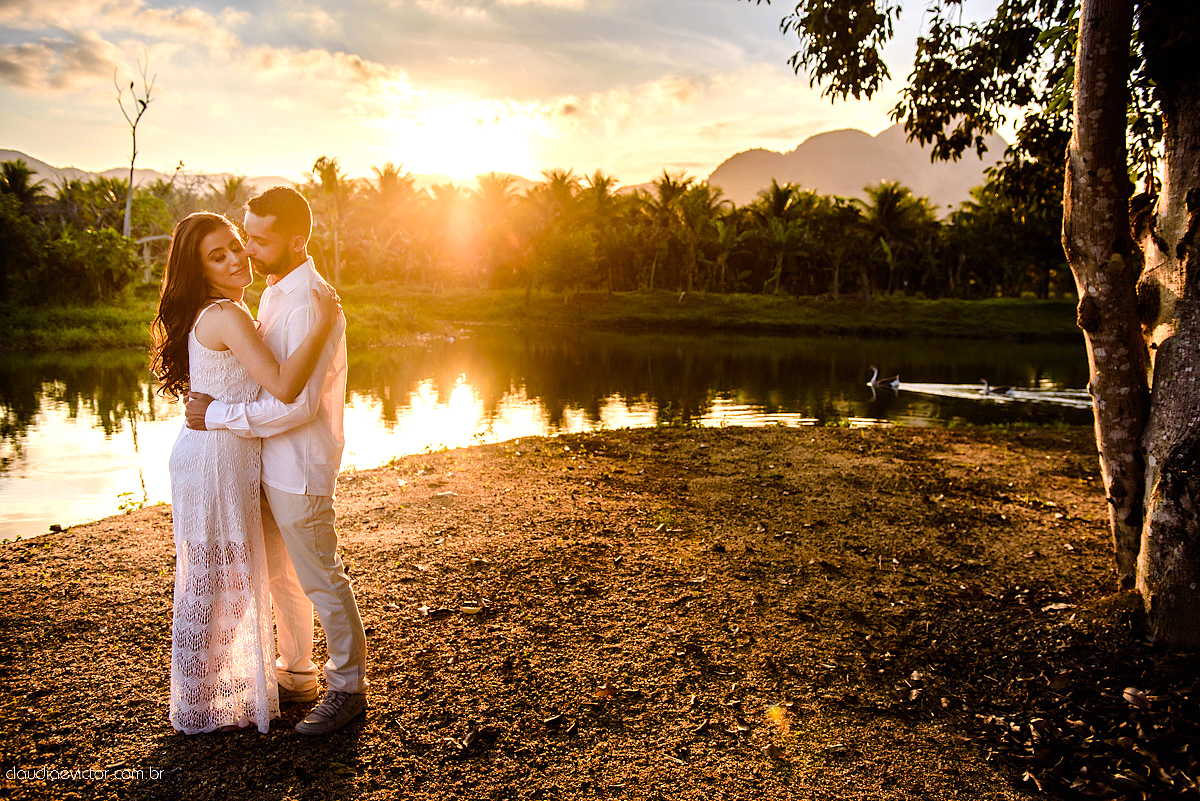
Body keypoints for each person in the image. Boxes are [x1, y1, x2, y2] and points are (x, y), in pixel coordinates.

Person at [185, 186, 369, 736]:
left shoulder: (307, 300)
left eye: (259, 241)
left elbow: (296, 404)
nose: (249, 251)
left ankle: (348, 687)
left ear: (296, 239)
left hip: (300, 462)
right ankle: (298, 673)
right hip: (267, 462)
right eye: (246, 239)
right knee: (283, 578)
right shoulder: (272, 292)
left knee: (320, 577)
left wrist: (217, 415)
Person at [150, 211, 340, 734]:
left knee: (231, 571)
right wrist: (323, 324)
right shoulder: (226, 315)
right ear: (198, 268)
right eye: (219, 254)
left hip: (224, 453)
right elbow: (281, 384)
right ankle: (201, 701)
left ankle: (223, 690)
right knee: (214, 575)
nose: (237, 258)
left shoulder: (231, 309)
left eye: (238, 245)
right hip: (214, 460)